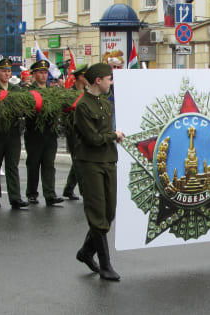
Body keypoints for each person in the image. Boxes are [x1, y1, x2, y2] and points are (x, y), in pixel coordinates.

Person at [73, 63, 125, 281]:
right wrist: (114, 136)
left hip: (108, 161)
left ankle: (86, 252)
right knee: (97, 214)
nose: (110, 83)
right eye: (108, 79)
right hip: (90, 163)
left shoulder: (105, 103)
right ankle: (105, 265)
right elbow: (93, 138)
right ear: (97, 81)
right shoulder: (82, 106)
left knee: (109, 213)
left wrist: (114, 136)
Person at [0, 58, 29, 209]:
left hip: (13, 132)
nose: (6, 73)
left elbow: (23, 108)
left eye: (8, 70)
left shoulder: (16, 90)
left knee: (12, 166)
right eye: (3, 70)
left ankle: (15, 197)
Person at [24, 60, 64, 206]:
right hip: (34, 132)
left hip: (50, 133)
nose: (43, 75)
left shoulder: (51, 91)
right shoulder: (28, 91)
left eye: (45, 72)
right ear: (34, 74)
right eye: (40, 72)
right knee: (33, 164)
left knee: (49, 164)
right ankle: (32, 193)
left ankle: (50, 194)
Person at [63, 64, 88, 201]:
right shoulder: (69, 93)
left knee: (79, 159)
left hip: (85, 130)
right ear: (79, 77)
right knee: (78, 160)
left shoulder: (88, 92)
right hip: (73, 130)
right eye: (85, 76)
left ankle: (68, 188)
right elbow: (65, 111)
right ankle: (84, 191)